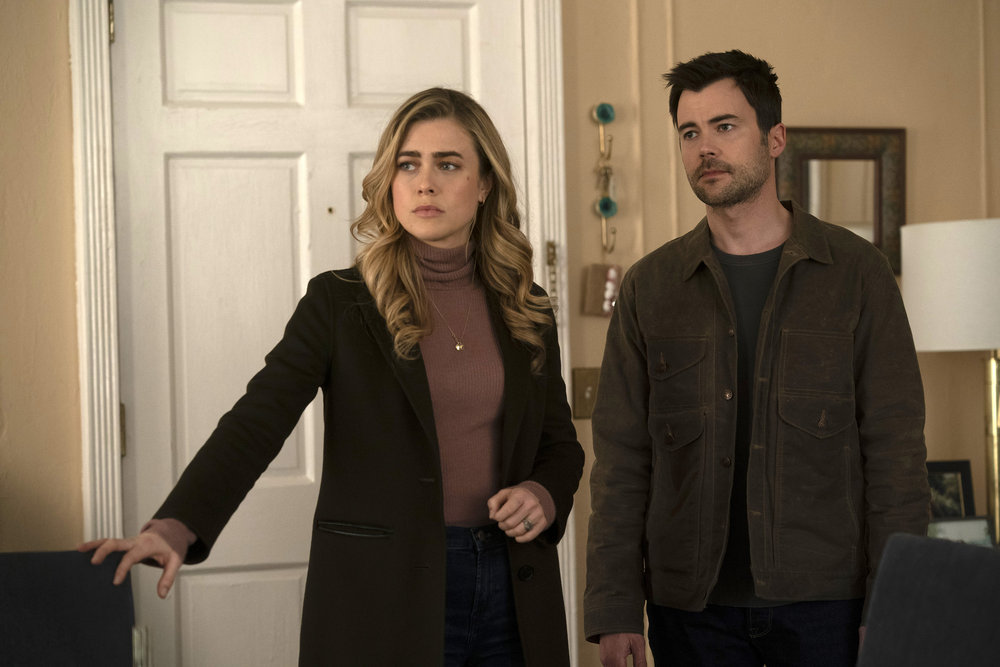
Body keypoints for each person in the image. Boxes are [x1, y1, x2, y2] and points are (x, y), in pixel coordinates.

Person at [81, 87, 584, 666]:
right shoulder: (339, 302)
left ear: (485, 183)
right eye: (408, 164)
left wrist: (544, 495)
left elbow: (559, 444)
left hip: (513, 588)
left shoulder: (526, 305)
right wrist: (178, 523)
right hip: (383, 592)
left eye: (448, 165)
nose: (425, 183)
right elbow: (257, 420)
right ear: (389, 181)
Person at [584, 50, 929, 667]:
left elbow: (895, 454)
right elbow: (621, 462)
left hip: (828, 606)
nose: (705, 148)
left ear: (774, 139)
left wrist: (894, 606)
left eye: (724, 126)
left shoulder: (857, 275)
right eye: (689, 133)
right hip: (689, 611)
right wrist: (614, 607)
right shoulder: (650, 287)